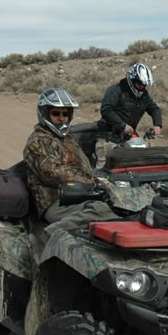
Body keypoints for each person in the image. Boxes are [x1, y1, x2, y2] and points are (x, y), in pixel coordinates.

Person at [23, 87, 119, 244]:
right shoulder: (37, 142)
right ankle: (47, 237)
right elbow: (53, 172)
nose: (61, 118)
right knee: (100, 210)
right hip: (56, 201)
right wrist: (91, 181)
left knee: (119, 205)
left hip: (79, 193)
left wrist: (102, 178)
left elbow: (83, 166)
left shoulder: (66, 139)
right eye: (56, 114)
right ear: (45, 113)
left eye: (65, 114)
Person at [95, 63, 163, 163]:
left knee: (139, 164)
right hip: (109, 138)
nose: (141, 87)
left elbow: (154, 109)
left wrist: (158, 125)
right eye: (139, 83)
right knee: (104, 169)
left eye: (144, 85)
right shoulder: (117, 90)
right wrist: (122, 125)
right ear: (131, 80)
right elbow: (106, 110)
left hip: (128, 137)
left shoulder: (143, 95)